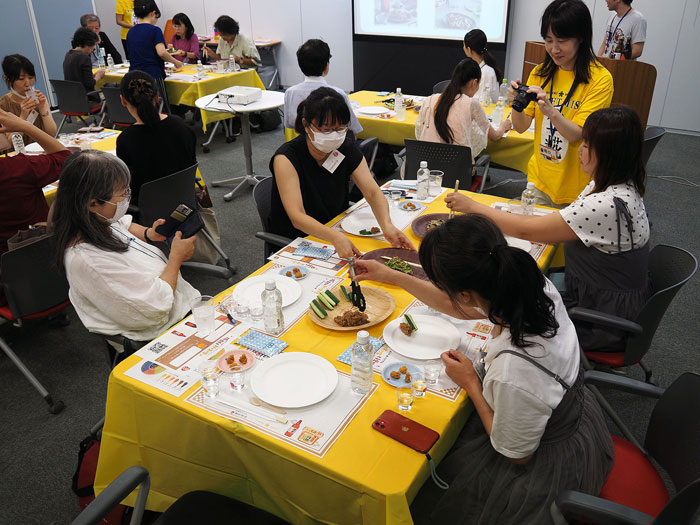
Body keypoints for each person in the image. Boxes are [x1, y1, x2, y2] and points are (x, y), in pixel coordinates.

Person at [353, 215, 614, 524]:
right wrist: (393, 276)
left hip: (545, 462)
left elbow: (517, 454)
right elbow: (463, 307)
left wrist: (473, 384)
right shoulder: (526, 282)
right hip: (568, 412)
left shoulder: (514, 369)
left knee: (421, 484)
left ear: (466, 292)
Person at [445, 106, 650, 353]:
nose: (580, 151)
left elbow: (527, 231)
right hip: (601, 295)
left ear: (610, 154)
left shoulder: (605, 204)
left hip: (600, 319)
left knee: (504, 296)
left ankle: (494, 363)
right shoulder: (620, 187)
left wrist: (474, 206)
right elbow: (559, 220)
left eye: (587, 145)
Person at [51, 150, 199, 343]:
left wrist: (148, 233)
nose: (127, 198)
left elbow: (123, 224)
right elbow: (154, 307)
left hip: (180, 303)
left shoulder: (96, 219)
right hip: (158, 330)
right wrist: (176, 259)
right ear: (93, 203)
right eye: (122, 194)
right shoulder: (88, 261)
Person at [269, 87, 414, 258]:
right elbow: (297, 217)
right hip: (298, 240)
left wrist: (387, 225)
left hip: (335, 227)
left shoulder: (344, 147)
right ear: (306, 125)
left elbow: (372, 191)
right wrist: (335, 237)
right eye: (326, 130)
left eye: (341, 128)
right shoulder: (286, 158)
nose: (334, 136)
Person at [509, 0, 614, 208]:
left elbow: (577, 134)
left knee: (564, 241)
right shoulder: (540, 73)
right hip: (539, 182)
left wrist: (550, 110)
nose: (554, 49)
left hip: (577, 188)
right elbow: (520, 127)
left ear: (581, 38)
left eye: (562, 40)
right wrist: (516, 103)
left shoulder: (600, 79)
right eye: (548, 40)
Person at [0, 109, 69, 306]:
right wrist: (26, 126)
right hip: (51, 270)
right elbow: (64, 158)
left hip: (9, 284)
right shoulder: (19, 168)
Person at [116, 71, 196, 201]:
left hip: (147, 207)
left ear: (123, 101)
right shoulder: (180, 125)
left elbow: (127, 184)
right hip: (186, 200)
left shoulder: (126, 140)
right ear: (158, 96)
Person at [416, 58, 511, 163]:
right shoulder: (471, 103)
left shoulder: (430, 99)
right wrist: (504, 126)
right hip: (456, 172)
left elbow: (420, 132)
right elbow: (495, 136)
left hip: (425, 169)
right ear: (474, 83)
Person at [283, 39, 361, 135]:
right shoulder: (338, 94)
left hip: (300, 144)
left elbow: (289, 125)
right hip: (333, 146)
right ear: (327, 65)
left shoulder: (290, 92)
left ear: (300, 65)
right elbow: (353, 129)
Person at [127, 0, 183, 114]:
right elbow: (161, 52)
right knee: (159, 108)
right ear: (153, 13)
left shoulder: (131, 31)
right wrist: (176, 62)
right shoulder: (155, 30)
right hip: (152, 75)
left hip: (134, 76)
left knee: (141, 109)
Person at [0, 54, 57, 145]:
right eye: (21, 79)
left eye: (31, 78)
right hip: (19, 154)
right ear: (7, 79)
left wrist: (43, 109)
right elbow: (11, 143)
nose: (27, 84)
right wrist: (23, 117)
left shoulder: (39, 99)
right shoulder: (3, 105)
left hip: (43, 149)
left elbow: (52, 133)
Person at [63, 28, 107, 108]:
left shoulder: (68, 55)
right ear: (88, 44)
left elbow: (78, 78)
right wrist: (98, 76)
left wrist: (92, 76)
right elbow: (90, 84)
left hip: (72, 99)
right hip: (86, 100)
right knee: (113, 96)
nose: (93, 48)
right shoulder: (84, 57)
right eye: (93, 45)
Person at [463, 29, 503, 104]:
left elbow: (482, 101)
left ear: (469, 49)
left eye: (464, 45)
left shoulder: (486, 72)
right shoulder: (481, 67)